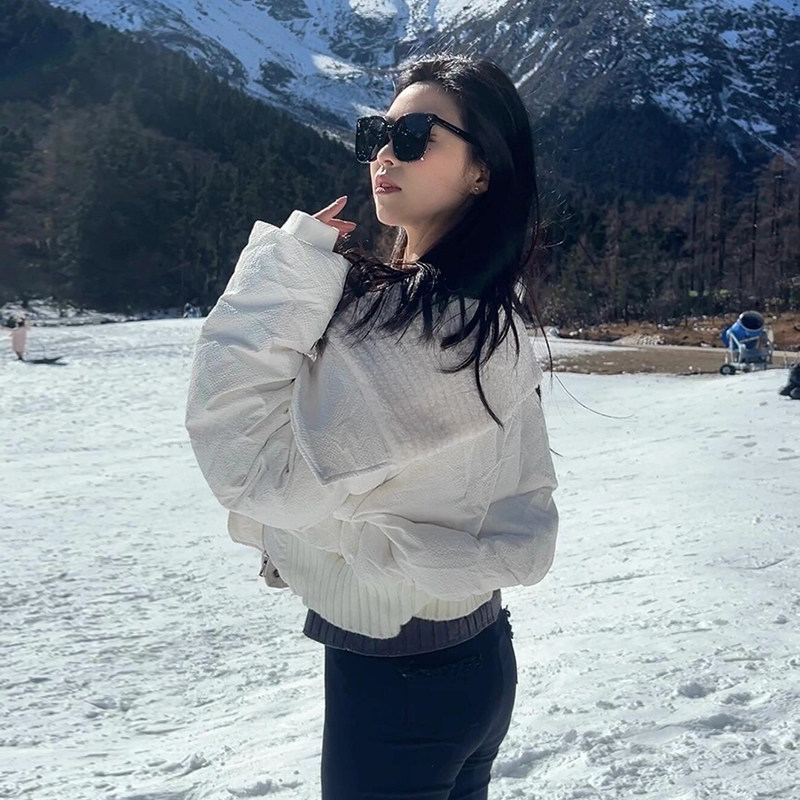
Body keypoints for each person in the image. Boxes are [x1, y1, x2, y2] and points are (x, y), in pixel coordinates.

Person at [185, 53, 559, 800]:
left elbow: (250, 466)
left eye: (415, 136)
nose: (385, 153)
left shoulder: (423, 333)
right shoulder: (488, 314)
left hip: (399, 681)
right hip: (473, 654)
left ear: (482, 171)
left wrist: (283, 272)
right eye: (375, 134)